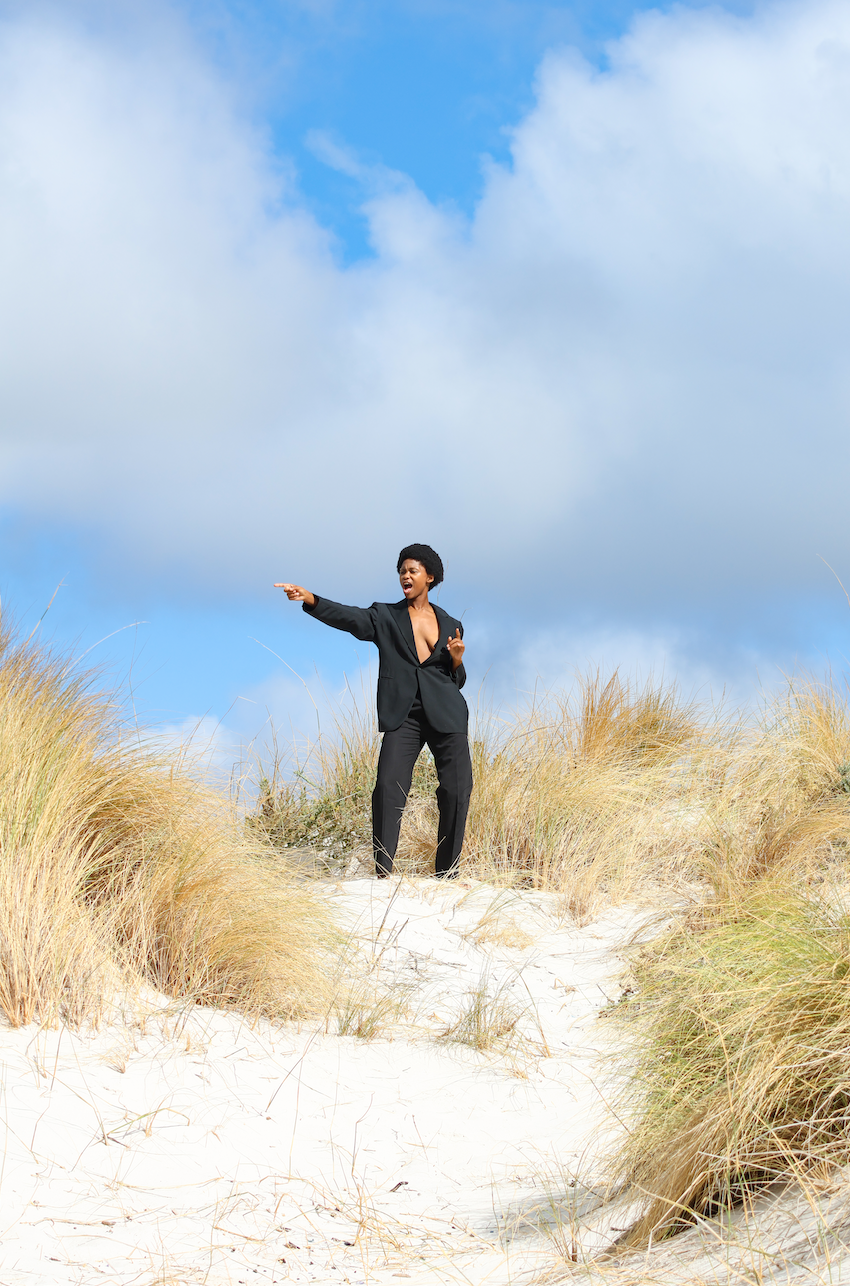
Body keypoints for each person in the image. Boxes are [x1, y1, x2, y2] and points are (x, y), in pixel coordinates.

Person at [275, 544, 473, 879]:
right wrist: (311, 600)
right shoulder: (385, 616)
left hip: (447, 715)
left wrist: (456, 658)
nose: (405, 576)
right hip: (404, 715)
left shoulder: (452, 624)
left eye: (412, 570)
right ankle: (383, 873)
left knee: (457, 790)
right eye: (401, 571)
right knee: (387, 788)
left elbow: (457, 679)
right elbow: (349, 617)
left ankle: (447, 875)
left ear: (430, 576)